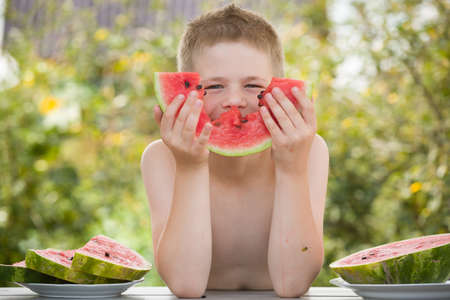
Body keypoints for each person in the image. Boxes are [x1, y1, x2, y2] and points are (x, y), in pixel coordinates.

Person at [141, 4, 329, 299]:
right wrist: (190, 167)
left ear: (278, 89)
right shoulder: (161, 158)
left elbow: (292, 283)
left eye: (253, 85)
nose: (234, 100)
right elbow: (186, 285)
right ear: (187, 93)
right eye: (214, 86)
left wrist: (292, 169)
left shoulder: (309, 150)